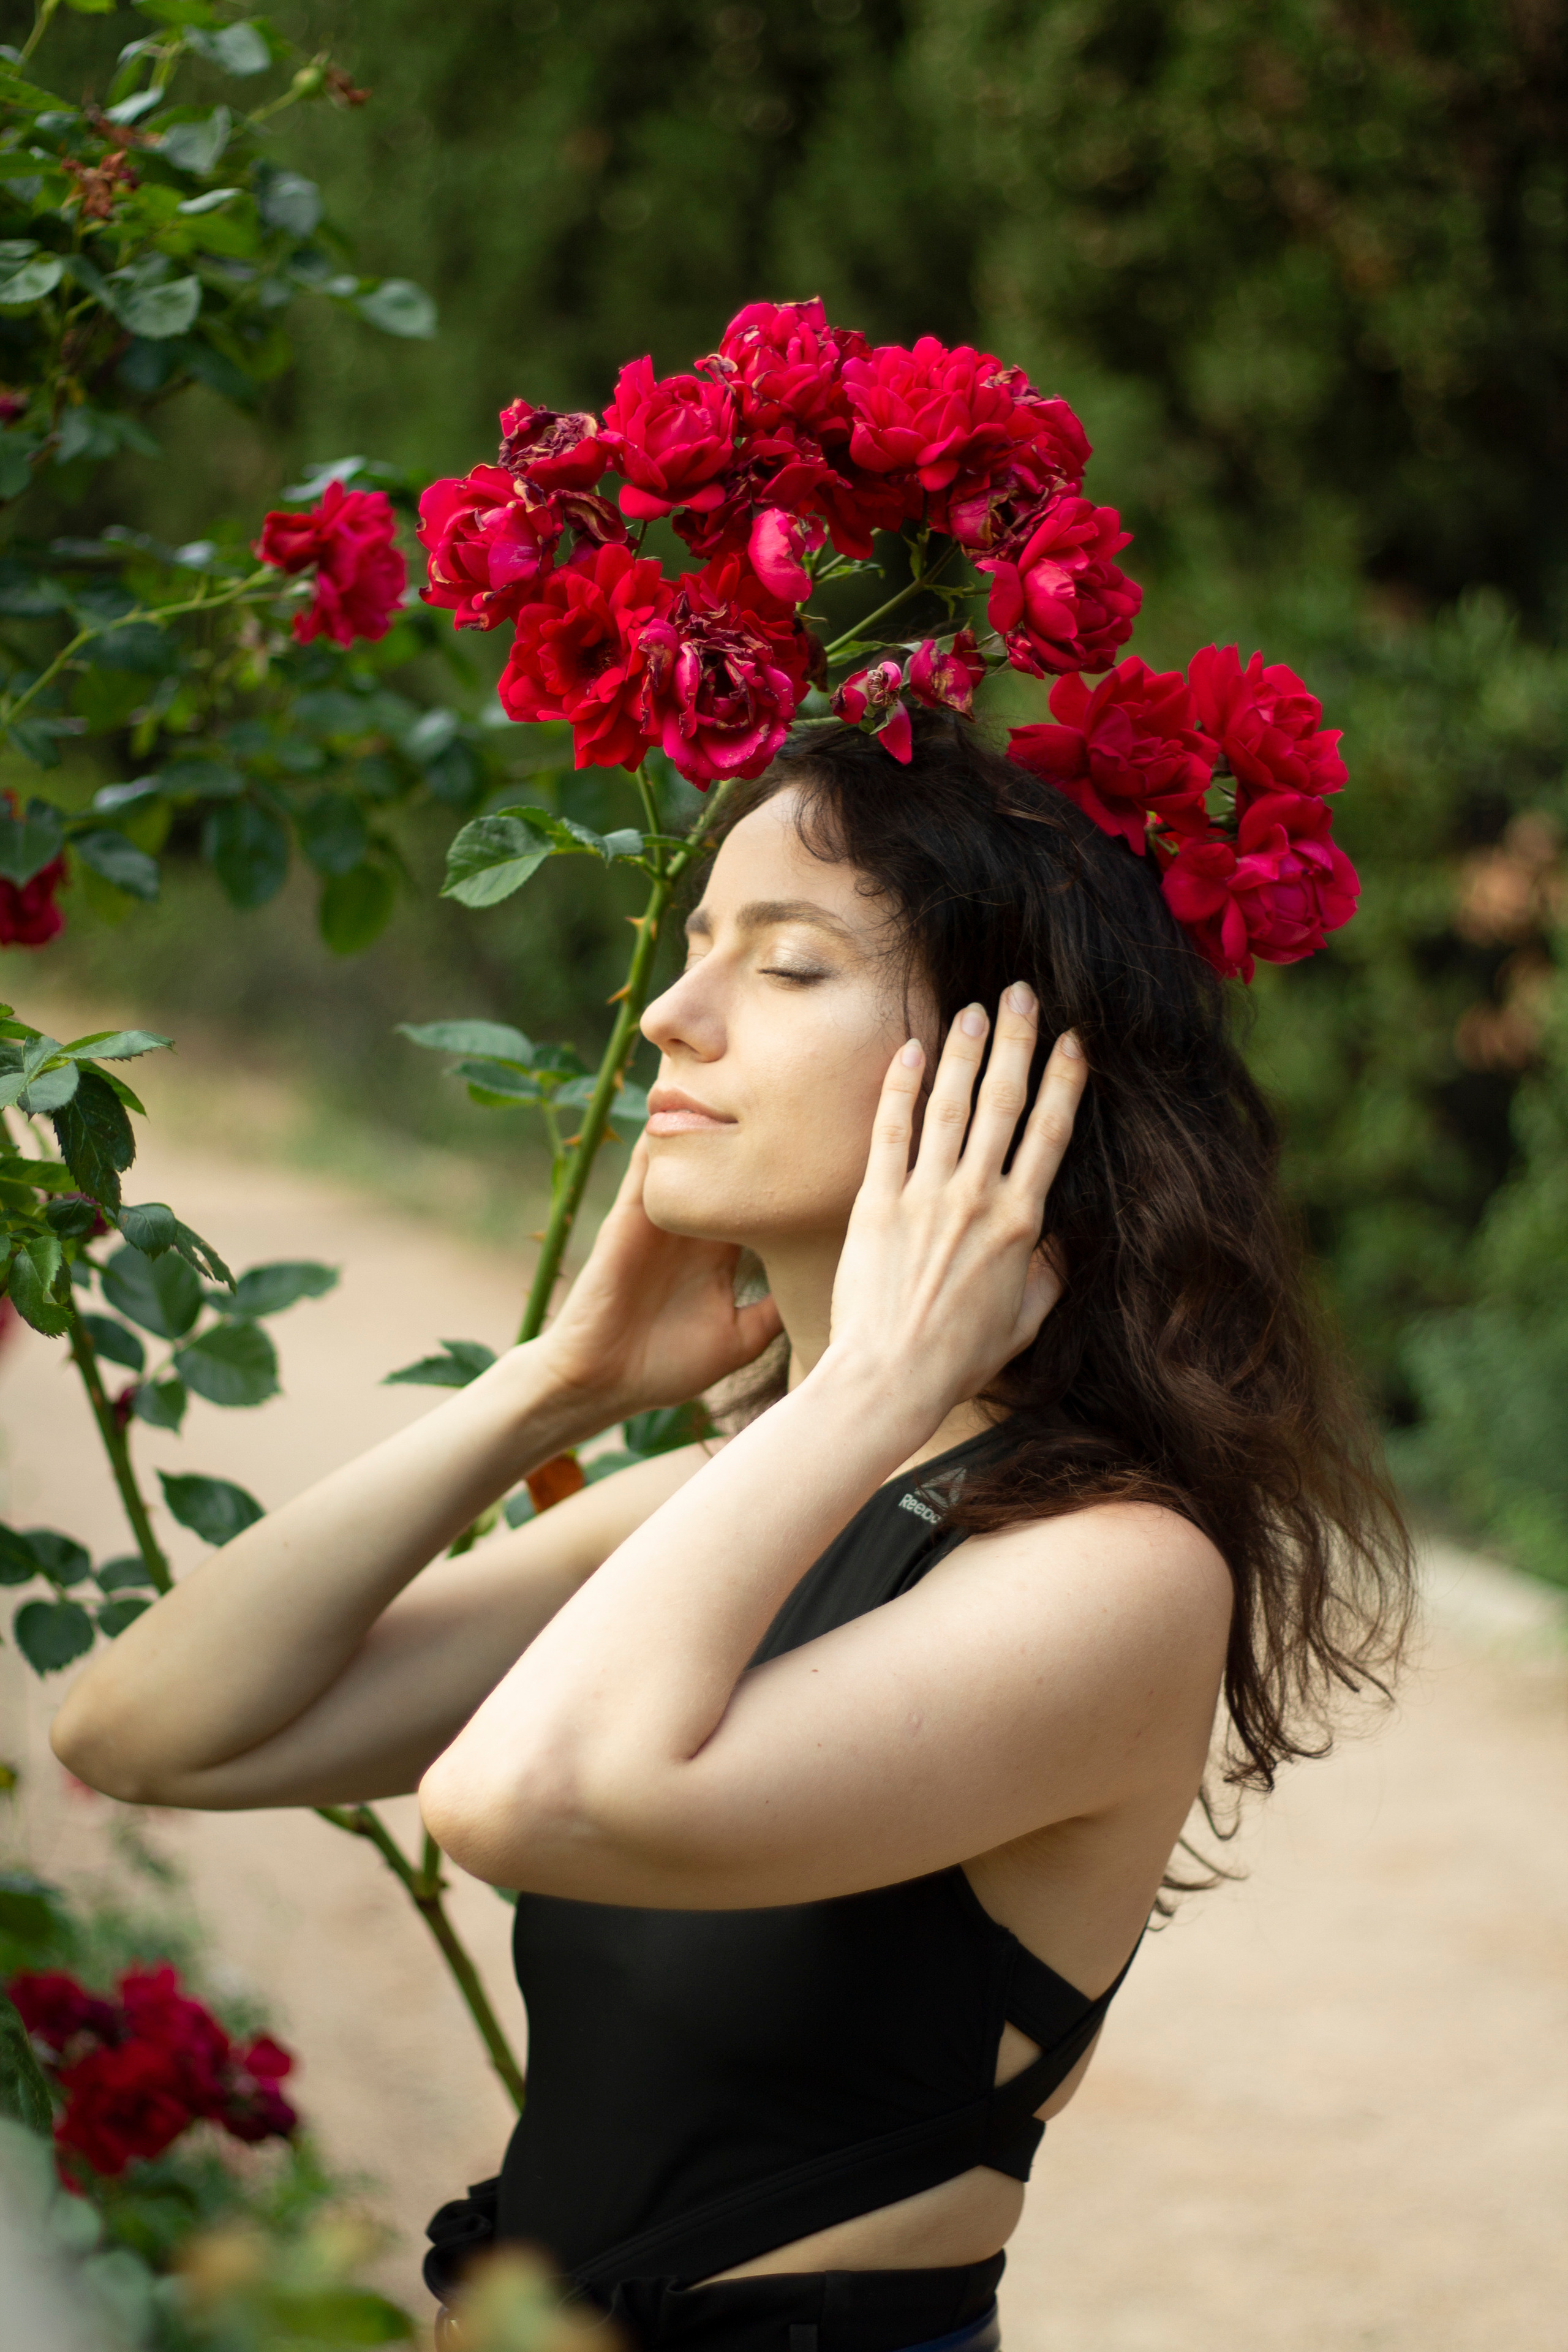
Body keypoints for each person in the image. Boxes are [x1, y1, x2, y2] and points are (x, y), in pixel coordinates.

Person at [53, 710, 1414, 2352]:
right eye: (696, 946)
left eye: (785, 965)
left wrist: (881, 1382)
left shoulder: (1114, 1571)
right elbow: (140, 1734)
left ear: (1009, 1084)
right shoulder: (736, 1495)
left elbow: (512, 1798)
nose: (669, 1017)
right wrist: (552, 1387)